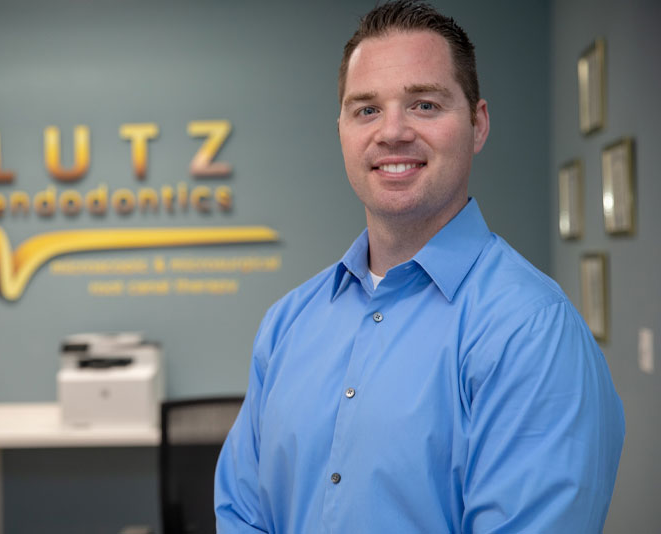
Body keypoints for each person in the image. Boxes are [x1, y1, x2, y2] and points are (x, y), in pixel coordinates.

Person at [214, 1, 625, 532]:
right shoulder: (286, 325)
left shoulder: (533, 332)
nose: (392, 132)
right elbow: (241, 513)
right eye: (366, 109)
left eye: (424, 105)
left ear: (477, 125)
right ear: (341, 130)